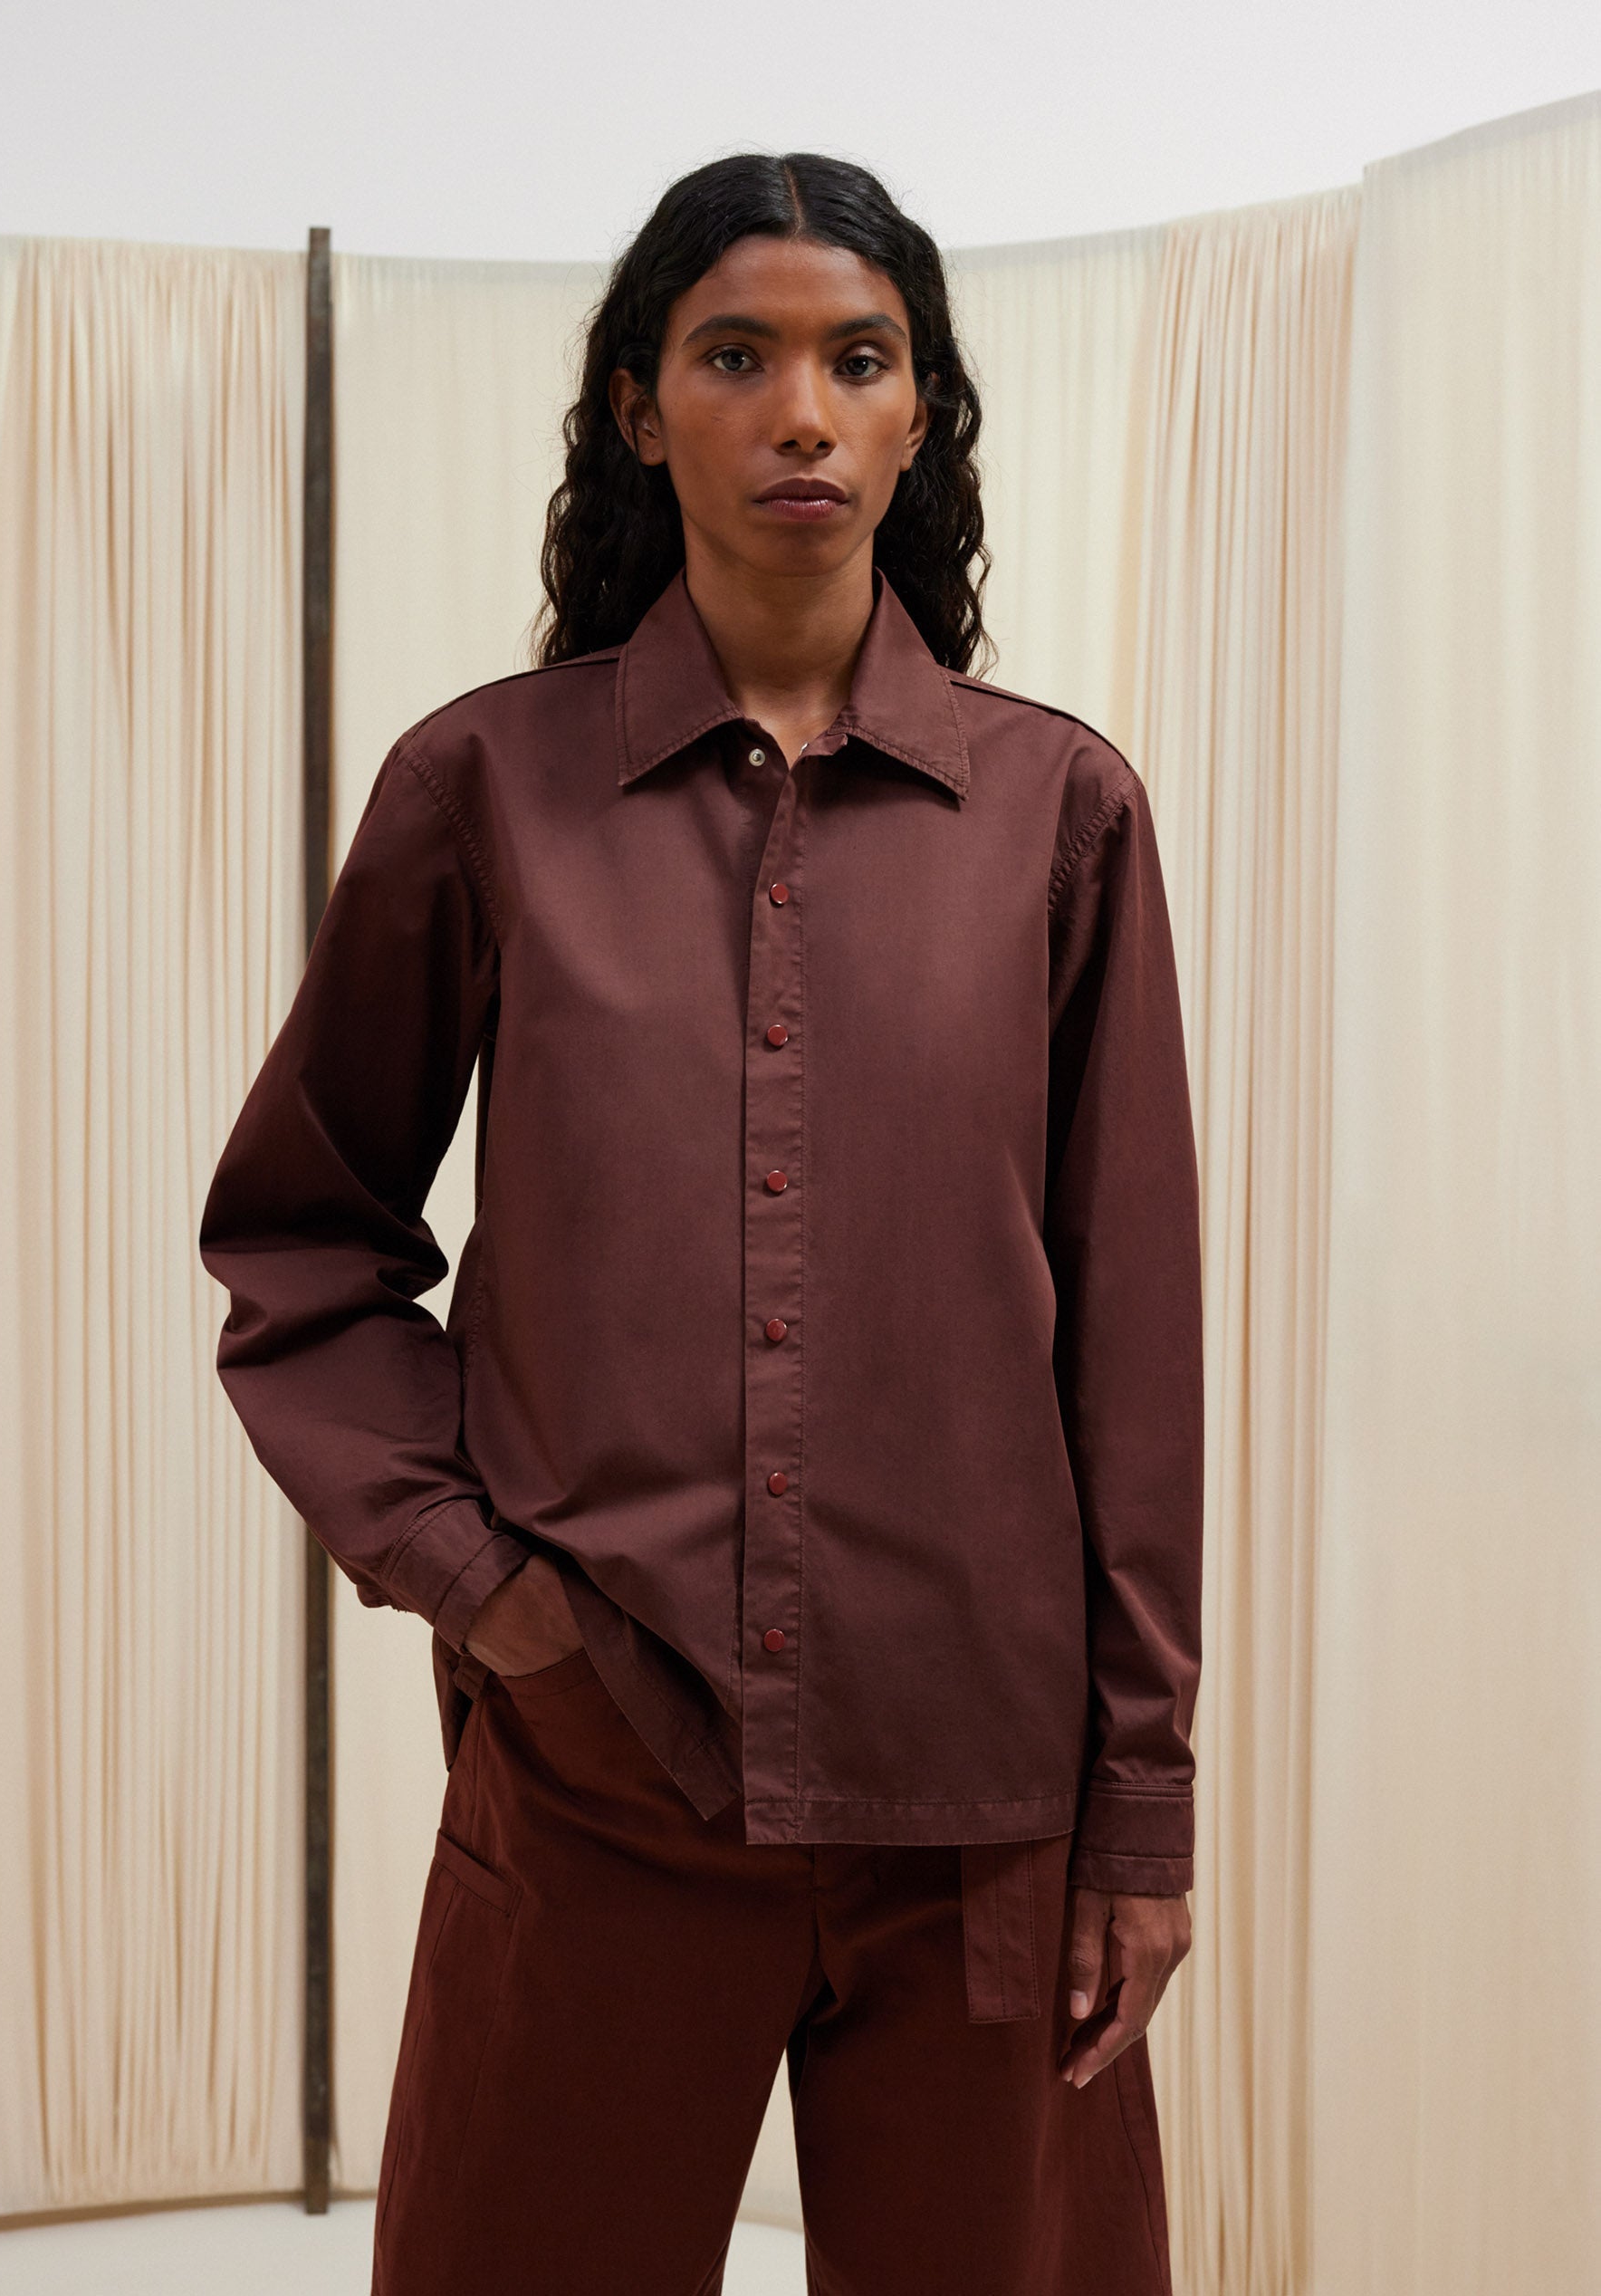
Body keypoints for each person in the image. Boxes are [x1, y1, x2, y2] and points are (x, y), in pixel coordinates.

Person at [200, 149, 1203, 2296]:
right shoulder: (482, 791)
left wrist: (1142, 1807)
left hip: (985, 1805)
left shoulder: (1063, 815)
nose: (802, 413)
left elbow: (1134, 1356)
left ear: (922, 412)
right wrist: (493, 1593)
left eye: (860, 359)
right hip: (601, 1769)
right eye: (736, 356)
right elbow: (303, 1242)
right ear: (641, 411)